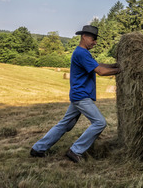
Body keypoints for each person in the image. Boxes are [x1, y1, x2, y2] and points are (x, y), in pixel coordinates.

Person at [30, 25, 121, 163]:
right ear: (84, 36)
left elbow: (99, 65)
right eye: (93, 39)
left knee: (65, 125)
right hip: (81, 96)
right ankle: (76, 150)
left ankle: (38, 148)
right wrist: (122, 69)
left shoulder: (83, 53)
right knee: (100, 122)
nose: (95, 42)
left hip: (78, 94)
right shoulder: (81, 53)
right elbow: (101, 71)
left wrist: (115, 65)